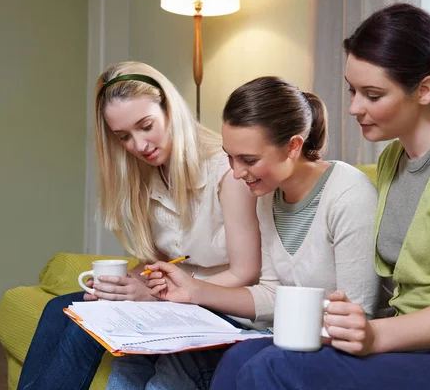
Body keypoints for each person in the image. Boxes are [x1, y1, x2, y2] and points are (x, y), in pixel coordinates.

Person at [209, 3, 430, 390]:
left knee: (274, 369)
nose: (353, 107)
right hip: (421, 347)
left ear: (425, 89)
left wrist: (376, 336)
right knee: (240, 357)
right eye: (352, 90)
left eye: (373, 94)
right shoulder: (393, 160)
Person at [16, 61, 261, 390]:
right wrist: (125, 287)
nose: (139, 145)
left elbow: (247, 272)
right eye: (124, 137)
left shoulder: (227, 171)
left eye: (146, 126)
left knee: (82, 327)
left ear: (169, 109)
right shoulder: (148, 175)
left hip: (224, 307)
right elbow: (163, 260)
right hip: (179, 299)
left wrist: (159, 297)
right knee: (61, 308)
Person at [133, 76, 381, 388]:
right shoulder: (268, 196)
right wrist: (193, 291)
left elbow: (358, 317)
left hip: (341, 350)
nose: (236, 173)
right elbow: (270, 293)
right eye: (229, 157)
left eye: (248, 160)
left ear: (293, 146)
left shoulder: (348, 195)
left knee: (223, 364)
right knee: (175, 360)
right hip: (283, 337)